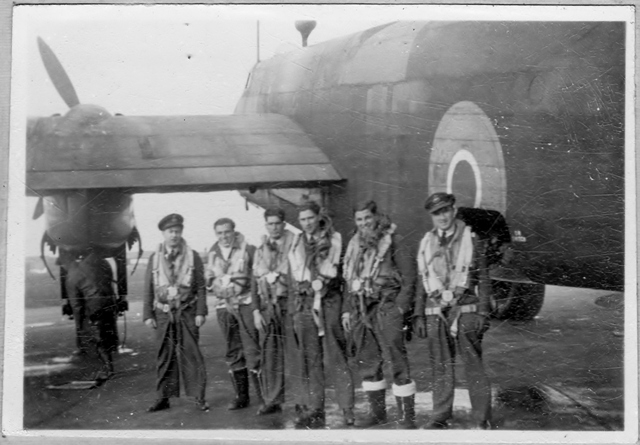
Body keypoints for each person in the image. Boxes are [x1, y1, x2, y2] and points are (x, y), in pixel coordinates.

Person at [413, 193, 493, 430]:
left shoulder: (472, 239)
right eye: (437, 213)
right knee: (440, 365)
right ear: (431, 216)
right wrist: (418, 314)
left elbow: (484, 277)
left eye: (446, 210)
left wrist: (483, 312)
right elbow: (422, 280)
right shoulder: (427, 242)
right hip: (436, 311)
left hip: (466, 308)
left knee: (473, 364)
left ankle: (481, 418)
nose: (442, 217)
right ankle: (440, 416)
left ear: (454, 210)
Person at [341, 200, 417, 429]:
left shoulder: (393, 240)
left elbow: (410, 277)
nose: (364, 223)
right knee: (368, 361)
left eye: (367, 218)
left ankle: (406, 419)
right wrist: (347, 310)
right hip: (361, 309)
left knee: (396, 360)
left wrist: (400, 308)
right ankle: (377, 414)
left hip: (387, 307)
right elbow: (349, 280)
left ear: (376, 217)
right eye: (359, 219)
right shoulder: (354, 244)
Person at [288, 201, 355, 429]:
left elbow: (346, 277)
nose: (307, 223)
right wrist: (295, 311)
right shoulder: (296, 243)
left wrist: (345, 308)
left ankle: (347, 408)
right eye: (302, 219)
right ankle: (316, 408)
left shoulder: (335, 240)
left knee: (337, 356)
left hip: (330, 301)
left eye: (310, 218)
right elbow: (292, 278)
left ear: (318, 217)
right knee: (311, 359)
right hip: (306, 303)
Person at [143, 213, 209, 412]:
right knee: (164, 355)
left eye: (177, 231)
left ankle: (198, 396)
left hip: (187, 311)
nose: (174, 235)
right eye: (170, 231)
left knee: (191, 354)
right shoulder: (155, 258)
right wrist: (148, 314)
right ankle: (163, 397)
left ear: (181, 232)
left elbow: (200, 286)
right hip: (163, 313)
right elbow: (148, 287)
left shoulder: (192, 256)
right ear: (163, 234)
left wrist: (201, 312)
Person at [206, 218, 262, 410]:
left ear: (234, 231)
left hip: (245, 304)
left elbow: (256, 279)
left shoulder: (249, 249)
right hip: (223, 306)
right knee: (233, 349)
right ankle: (241, 397)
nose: (224, 236)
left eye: (227, 232)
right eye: (220, 233)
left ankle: (264, 397)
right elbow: (209, 280)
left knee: (252, 348)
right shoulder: (213, 252)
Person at [252, 207, 296, 415]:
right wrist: (255, 310)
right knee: (270, 355)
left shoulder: (295, 244)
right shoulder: (261, 249)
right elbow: (254, 281)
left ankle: (301, 400)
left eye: (278, 223)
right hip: (268, 307)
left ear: (284, 224)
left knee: (295, 353)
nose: (274, 227)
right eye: (270, 224)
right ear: (266, 225)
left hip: (290, 305)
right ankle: (273, 399)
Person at [63, 249, 125, 381]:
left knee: (95, 339)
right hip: (110, 304)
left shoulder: (72, 277)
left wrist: (80, 325)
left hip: (95, 309)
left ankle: (107, 370)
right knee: (107, 336)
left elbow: (76, 305)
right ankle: (108, 366)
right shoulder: (93, 265)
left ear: (65, 264)